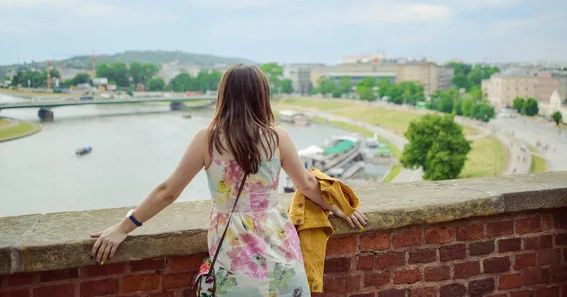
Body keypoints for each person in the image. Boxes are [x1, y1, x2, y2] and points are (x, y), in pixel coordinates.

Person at [89, 63, 366, 296]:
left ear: (224, 95)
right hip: (279, 245)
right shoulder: (278, 137)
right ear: (262, 96)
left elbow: (168, 192)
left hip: (232, 249)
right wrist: (341, 208)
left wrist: (124, 227)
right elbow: (306, 184)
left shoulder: (206, 139)